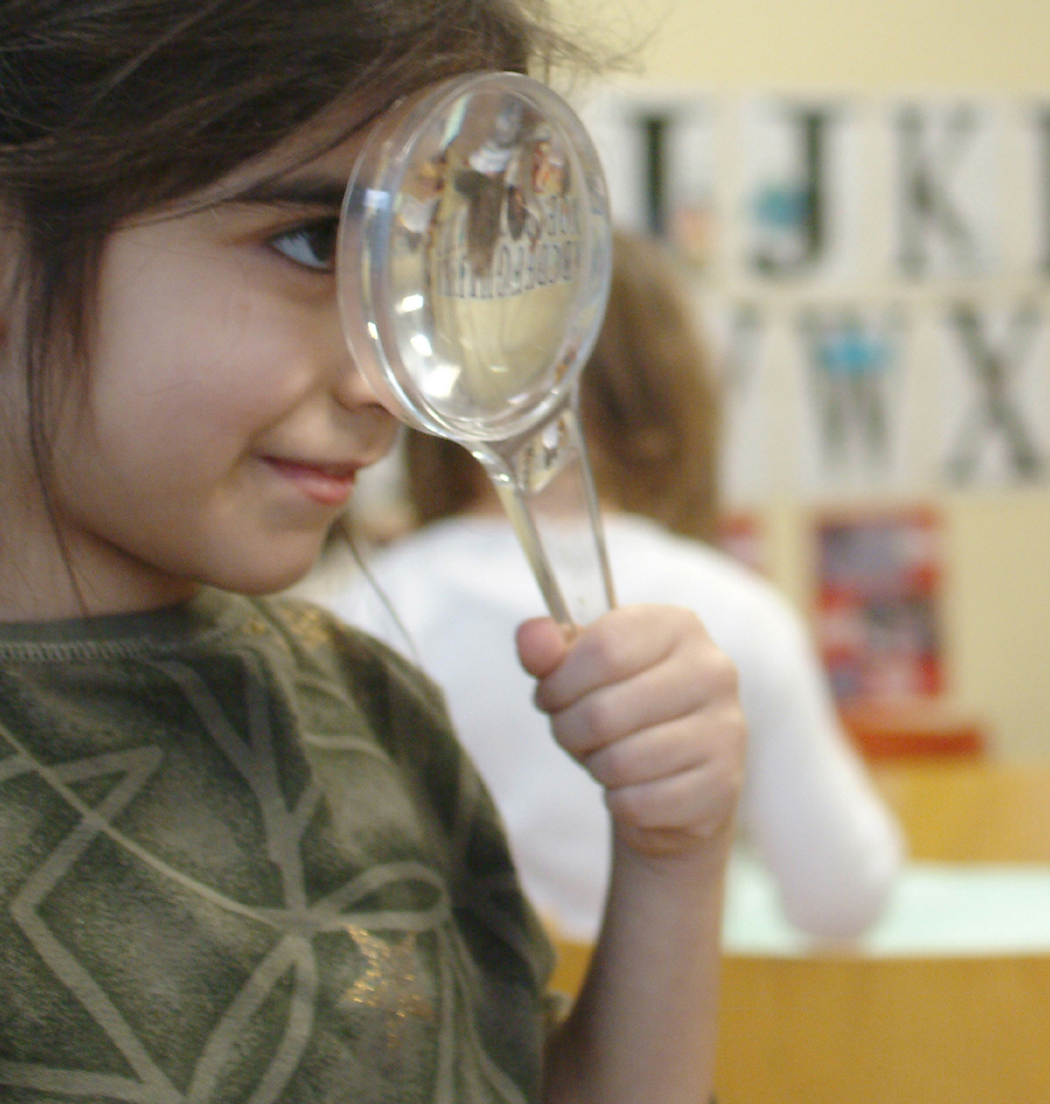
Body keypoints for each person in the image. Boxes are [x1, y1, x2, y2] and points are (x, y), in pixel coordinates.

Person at [0, 0, 741, 1104]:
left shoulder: (366, 710)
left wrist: (671, 862)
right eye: (300, 243)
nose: (390, 379)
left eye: (411, 264)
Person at [326, 229, 903, 945]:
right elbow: (842, 899)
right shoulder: (736, 613)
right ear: (670, 397)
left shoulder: (367, 605)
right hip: (680, 1038)